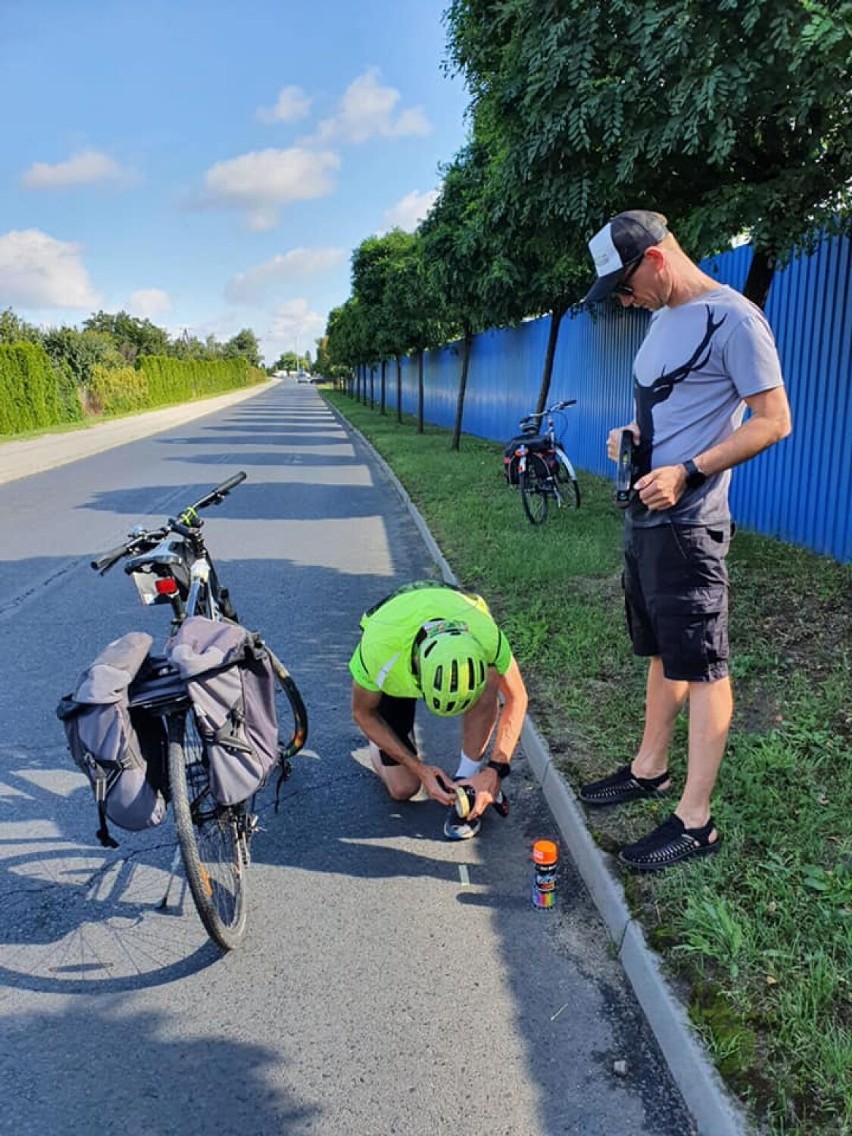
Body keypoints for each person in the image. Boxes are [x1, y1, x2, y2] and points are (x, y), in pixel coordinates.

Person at [579, 209, 792, 870]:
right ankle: (650, 769)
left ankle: (696, 821)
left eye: (624, 284)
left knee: (702, 663)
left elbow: (773, 421)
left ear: (654, 259)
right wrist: (632, 437)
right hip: (646, 515)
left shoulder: (734, 319)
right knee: (661, 650)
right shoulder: (661, 321)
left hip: (690, 521)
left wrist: (690, 469)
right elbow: (668, 412)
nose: (624, 299)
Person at [349, 580, 528, 840]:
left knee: (491, 680)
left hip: (456, 605)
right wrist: (419, 768)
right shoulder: (379, 651)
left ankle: (468, 776)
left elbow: (518, 697)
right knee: (403, 788)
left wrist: (495, 771)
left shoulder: (486, 635)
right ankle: (380, 741)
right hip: (394, 629)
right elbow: (362, 713)